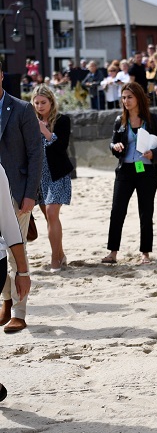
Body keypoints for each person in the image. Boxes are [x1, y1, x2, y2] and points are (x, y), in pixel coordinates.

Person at [102, 83, 157, 265]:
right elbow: (112, 143)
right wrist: (115, 147)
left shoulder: (153, 119)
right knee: (117, 211)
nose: (126, 101)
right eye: (123, 97)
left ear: (139, 98)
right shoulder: (120, 120)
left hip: (146, 170)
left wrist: (154, 154)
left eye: (129, 97)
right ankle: (113, 252)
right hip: (125, 169)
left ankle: (145, 254)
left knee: (145, 212)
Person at [0, 62, 42, 334]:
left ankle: (19, 312)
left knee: (17, 252)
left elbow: (36, 154)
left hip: (16, 193)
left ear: (1, 75)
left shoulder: (22, 109)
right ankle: (5, 299)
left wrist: (30, 195)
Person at [31, 85, 73, 272]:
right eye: (37, 102)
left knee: (52, 213)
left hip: (57, 174)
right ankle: (61, 255)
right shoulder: (29, 121)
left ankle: (54, 261)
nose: (40, 106)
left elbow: (61, 147)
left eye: (43, 102)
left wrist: (45, 131)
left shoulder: (62, 120)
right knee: (49, 218)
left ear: (51, 102)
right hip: (39, 176)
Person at [0, 160, 32, 351]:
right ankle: (6, 303)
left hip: (19, 192)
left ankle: (17, 313)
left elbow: (9, 226)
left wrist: (23, 272)